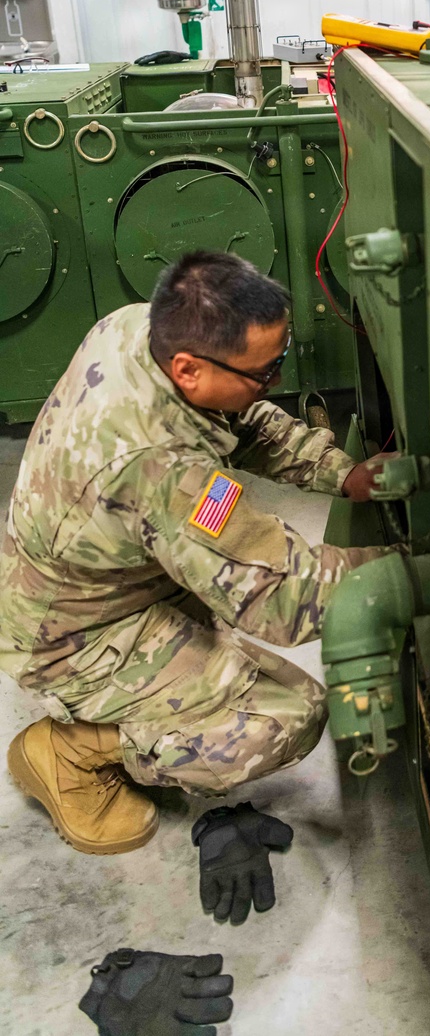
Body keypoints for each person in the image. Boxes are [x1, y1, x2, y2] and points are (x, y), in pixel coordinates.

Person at [0, 250, 395, 855]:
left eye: (278, 362)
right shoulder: (158, 469)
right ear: (188, 368)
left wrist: (342, 473)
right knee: (287, 715)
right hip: (71, 634)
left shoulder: (137, 328)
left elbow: (238, 419)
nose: (275, 382)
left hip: (100, 570)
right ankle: (71, 753)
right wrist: (415, 571)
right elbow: (281, 600)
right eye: (264, 373)